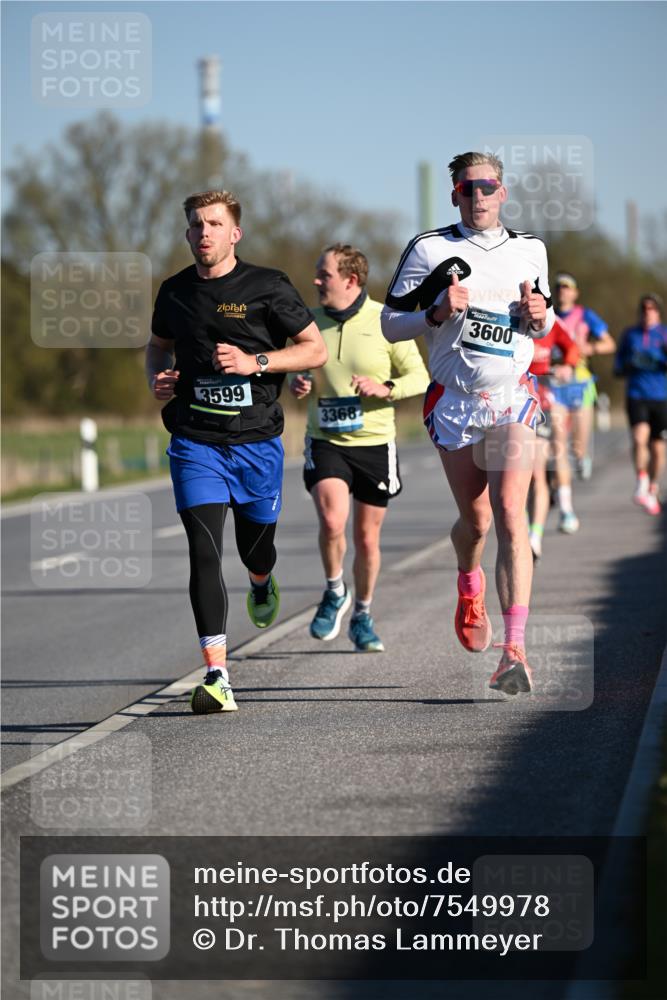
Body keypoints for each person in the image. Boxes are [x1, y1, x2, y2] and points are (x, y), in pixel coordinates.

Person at [146, 190, 327, 714]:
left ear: (234, 233)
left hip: (257, 443)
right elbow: (157, 345)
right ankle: (217, 675)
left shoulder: (268, 285)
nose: (203, 232)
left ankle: (262, 580)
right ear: (187, 234)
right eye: (195, 225)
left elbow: (313, 348)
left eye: (214, 224)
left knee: (255, 550)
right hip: (194, 440)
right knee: (204, 550)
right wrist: (156, 377)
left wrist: (257, 363)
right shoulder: (175, 291)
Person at [382, 151, 554, 695]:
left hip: (510, 399)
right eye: (467, 188)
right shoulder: (430, 249)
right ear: (454, 194)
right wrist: (434, 314)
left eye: (488, 186)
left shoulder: (531, 250)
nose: (478, 196)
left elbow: (544, 323)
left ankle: (514, 650)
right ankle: (468, 582)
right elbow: (389, 324)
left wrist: (538, 318)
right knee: (475, 523)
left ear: (503, 192)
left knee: (509, 510)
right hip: (455, 401)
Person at [289, 244, 429, 652]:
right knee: (333, 522)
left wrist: (385, 388)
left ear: (350, 280)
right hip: (326, 439)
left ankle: (363, 613)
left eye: (324, 274)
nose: (316, 281)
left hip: (374, 443)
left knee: (367, 539)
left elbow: (420, 377)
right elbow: (295, 368)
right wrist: (296, 383)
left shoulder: (387, 321)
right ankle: (335, 591)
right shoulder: (307, 322)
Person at [550, 273, 615, 533]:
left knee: (577, 445)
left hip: (581, 383)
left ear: (575, 293)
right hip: (555, 386)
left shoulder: (586, 315)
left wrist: (589, 348)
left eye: (567, 288)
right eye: (559, 288)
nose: (563, 292)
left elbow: (609, 343)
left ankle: (582, 456)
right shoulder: (547, 315)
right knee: (557, 443)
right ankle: (566, 510)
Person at [527, 318, 580, 559]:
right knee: (520, 478)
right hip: (510, 397)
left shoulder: (552, 322)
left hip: (542, 397)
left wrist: (567, 366)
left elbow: (572, 348)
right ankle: (523, 531)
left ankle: (534, 538)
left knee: (538, 473)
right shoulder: (509, 315)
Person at [614, 292, 667, 516]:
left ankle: (653, 486)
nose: (648, 312)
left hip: (661, 397)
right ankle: (642, 481)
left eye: (652, 308)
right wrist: (628, 364)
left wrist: (660, 360)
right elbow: (618, 367)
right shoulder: (630, 335)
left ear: (658, 312)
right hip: (637, 394)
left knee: (657, 449)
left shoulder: (664, 335)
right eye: (644, 308)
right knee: (639, 438)